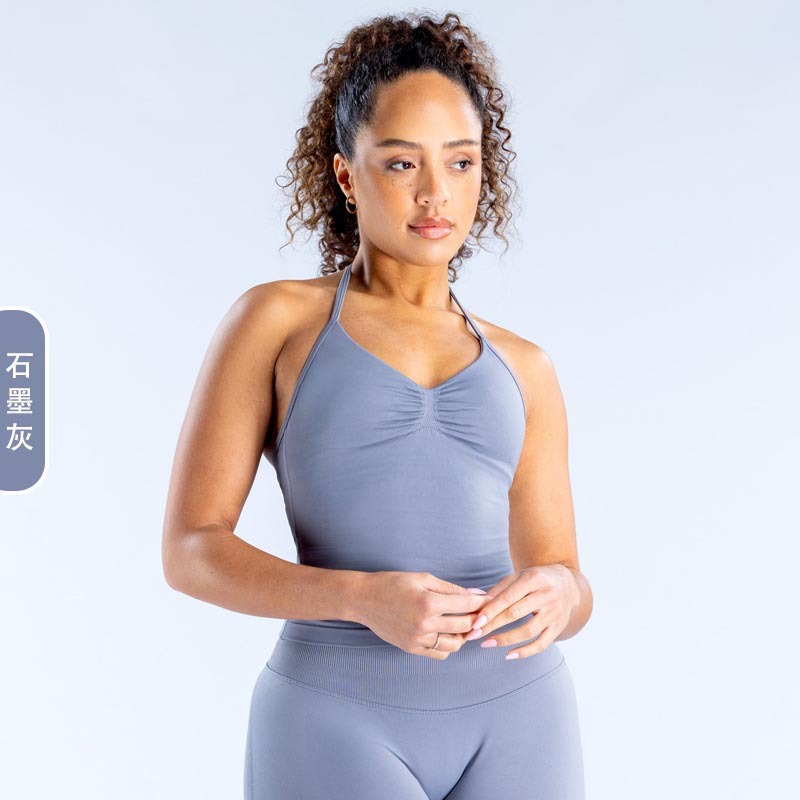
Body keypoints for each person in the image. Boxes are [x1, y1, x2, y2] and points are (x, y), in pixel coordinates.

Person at [162, 11, 592, 799]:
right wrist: (359, 599)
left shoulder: (525, 366)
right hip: (334, 712)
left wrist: (563, 594)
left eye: (460, 161)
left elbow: (565, 574)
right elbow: (190, 550)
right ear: (346, 175)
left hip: (523, 713)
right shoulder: (276, 322)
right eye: (401, 163)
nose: (435, 193)